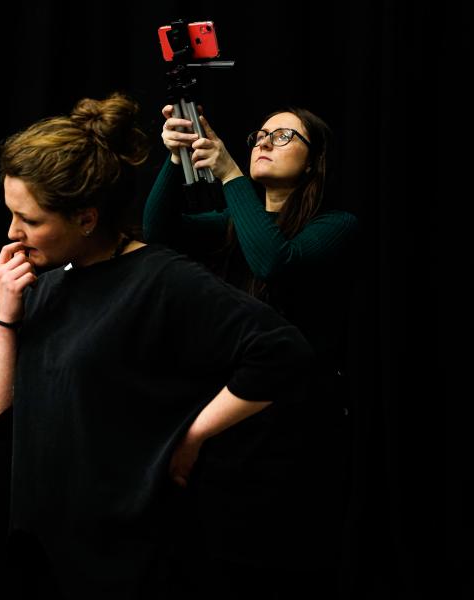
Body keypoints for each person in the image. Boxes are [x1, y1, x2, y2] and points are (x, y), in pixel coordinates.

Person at [0, 93, 314, 599]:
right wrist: (6, 313)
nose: (13, 233)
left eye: (30, 220)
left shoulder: (160, 279)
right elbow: (0, 411)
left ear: (86, 218)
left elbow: (283, 352)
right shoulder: (41, 282)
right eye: (11, 214)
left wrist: (191, 436)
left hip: (128, 561)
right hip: (47, 554)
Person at [143, 106, 361, 596]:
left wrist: (230, 175)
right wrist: (175, 155)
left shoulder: (338, 224)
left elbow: (273, 262)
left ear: (313, 161)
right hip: (235, 418)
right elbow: (159, 233)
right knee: (217, 562)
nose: (263, 141)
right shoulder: (233, 221)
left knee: (281, 565)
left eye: (283, 136)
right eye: (260, 134)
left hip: (300, 430)